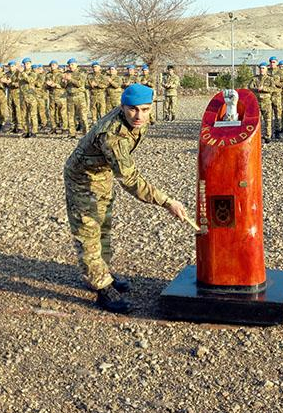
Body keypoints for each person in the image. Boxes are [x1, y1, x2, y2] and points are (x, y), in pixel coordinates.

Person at [63, 83, 189, 314]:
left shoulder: (138, 119)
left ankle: (102, 272)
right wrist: (167, 201)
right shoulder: (113, 136)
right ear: (122, 107)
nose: (139, 115)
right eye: (133, 109)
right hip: (83, 177)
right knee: (88, 229)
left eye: (145, 109)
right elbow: (130, 179)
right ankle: (101, 288)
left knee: (104, 226)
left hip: (102, 173)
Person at [63, 58, 88, 138]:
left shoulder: (81, 73)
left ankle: (86, 133)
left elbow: (80, 84)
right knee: (70, 116)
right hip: (70, 97)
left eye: (72, 64)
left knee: (83, 115)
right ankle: (72, 133)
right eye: (69, 65)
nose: (71, 66)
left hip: (79, 97)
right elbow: (63, 86)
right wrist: (64, 82)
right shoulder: (66, 73)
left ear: (76, 65)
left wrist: (71, 79)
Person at [250, 63, 274, 142]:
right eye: (260, 68)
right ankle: (257, 135)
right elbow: (250, 87)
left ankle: (268, 136)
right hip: (257, 102)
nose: (261, 70)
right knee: (257, 120)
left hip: (266, 102)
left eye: (263, 68)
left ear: (266, 69)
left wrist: (264, 88)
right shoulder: (255, 78)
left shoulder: (270, 79)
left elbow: (273, 89)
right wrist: (257, 89)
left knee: (268, 119)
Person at [17, 58, 39, 138]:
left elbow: (30, 80)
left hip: (31, 97)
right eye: (25, 64)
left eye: (28, 63)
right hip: (23, 97)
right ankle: (26, 131)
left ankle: (34, 132)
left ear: (30, 64)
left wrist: (23, 73)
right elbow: (19, 81)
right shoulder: (20, 73)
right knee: (24, 115)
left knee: (33, 115)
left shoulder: (33, 73)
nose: (26, 65)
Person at [45, 61, 68, 134]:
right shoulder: (48, 75)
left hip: (61, 96)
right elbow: (44, 86)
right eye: (51, 65)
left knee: (63, 112)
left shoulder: (61, 74)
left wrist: (56, 85)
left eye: (54, 65)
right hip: (52, 96)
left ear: (57, 66)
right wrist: (47, 85)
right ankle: (53, 127)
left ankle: (64, 128)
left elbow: (65, 85)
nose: (52, 66)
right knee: (51, 113)